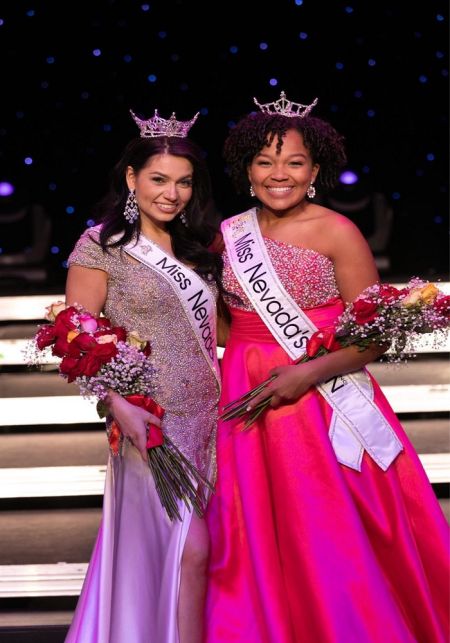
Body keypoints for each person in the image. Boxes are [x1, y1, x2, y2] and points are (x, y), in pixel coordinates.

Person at [205, 92, 449, 642]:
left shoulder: (339, 231)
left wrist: (303, 374)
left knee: (324, 528)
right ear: (247, 170)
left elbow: (373, 339)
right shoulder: (229, 234)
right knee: (253, 533)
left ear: (315, 170)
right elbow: (228, 324)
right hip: (245, 394)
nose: (278, 174)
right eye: (264, 162)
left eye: (293, 162)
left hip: (320, 397)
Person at [64, 107, 223, 643]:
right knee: (192, 550)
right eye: (158, 179)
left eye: (183, 182)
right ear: (131, 178)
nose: (171, 193)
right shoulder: (101, 247)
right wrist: (118, 405)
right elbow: (76, 339)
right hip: (148, 423)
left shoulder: (199, 248)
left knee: (188, 555)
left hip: (210, 418)